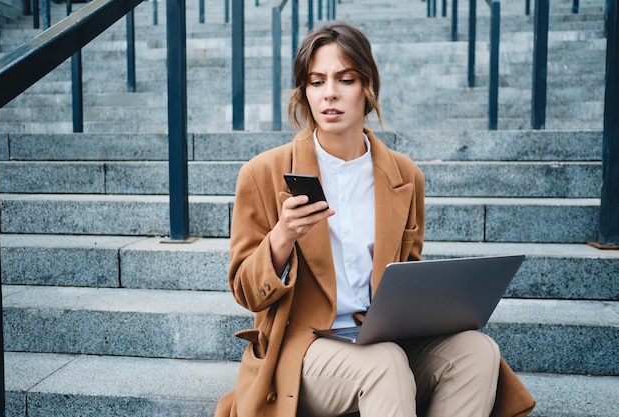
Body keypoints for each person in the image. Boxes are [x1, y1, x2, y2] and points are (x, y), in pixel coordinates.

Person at [215, 22, 535, 417]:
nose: (329, 93)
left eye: (344, 79)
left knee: (477, 351)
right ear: (304, 93)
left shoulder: (405, 176)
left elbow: (407, 274)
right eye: (316, 82)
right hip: (304, 350)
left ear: (367, 87)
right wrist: (282, 237)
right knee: (384, 363)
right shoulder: (263, 173)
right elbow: (245, 291)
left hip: (381, 338)